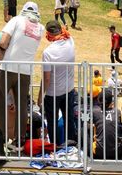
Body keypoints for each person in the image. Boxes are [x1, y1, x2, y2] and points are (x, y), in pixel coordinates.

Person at [0, 1, 44, 140]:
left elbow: (2, 41)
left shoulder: (16, 20)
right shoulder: (40, 28)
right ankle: (19, 139)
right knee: (22, 105)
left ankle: (0, 137)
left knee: (0, 99)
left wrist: (2, 49)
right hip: (26, 71)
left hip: (9, 67)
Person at [41, 19, 78, 147]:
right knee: (69, 119)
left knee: (52, 122)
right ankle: (72, 146)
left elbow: (46, 78)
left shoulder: (48, 52)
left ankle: (55, 147)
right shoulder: (70, 41)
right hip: (69, 89)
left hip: (53, 92)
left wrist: (41, 95)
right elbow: (67, 33)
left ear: (48, 34)